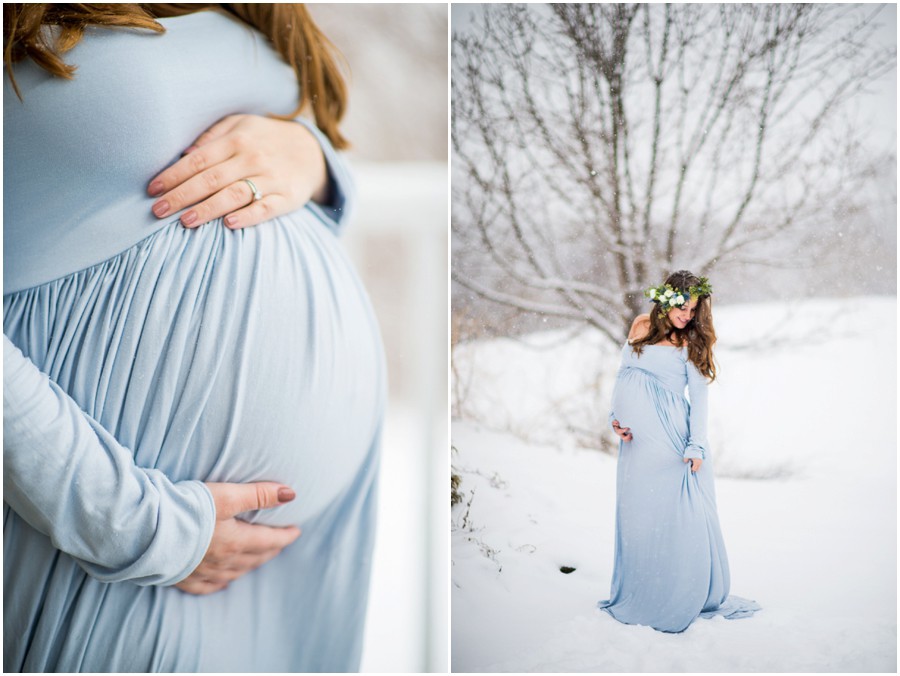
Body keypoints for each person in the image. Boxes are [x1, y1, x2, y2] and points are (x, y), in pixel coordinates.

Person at [4, 4, 385, 671]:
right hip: (95, 529)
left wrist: (311, 159)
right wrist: (128, 521)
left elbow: (302, 148)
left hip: (277, 565)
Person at [597, 270, 759, 633]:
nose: (688, 315)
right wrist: (615, 419)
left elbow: (700, 399)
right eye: (683, 307)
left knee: (681, 518)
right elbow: (624, 374)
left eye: (694, 309)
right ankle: (645, 587)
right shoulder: (640, 326)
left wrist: (696, 444)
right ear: (665, 302)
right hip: (636, 446)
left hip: (673, 443)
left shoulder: (692, 343)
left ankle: (682, 591)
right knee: (640, 515)